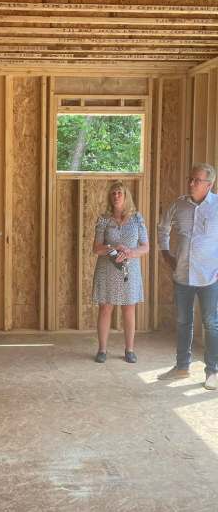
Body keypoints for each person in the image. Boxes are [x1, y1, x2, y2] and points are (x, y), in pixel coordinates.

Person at [156, 163, 218, 388]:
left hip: (210, 277)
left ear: (209, 185)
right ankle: (182, 367)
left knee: (211, 323)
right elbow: (163, 228)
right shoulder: (179, 204)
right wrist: (165, 253)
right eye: (190, 179)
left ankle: (213, 371)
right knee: (183, 322)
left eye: (196, 180)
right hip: (182, 275)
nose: (191, 183)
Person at [91, 182, 149, 363]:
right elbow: (96, 248)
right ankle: (102, 350)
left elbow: (145, 246)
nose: (116, 195)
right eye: (113, 193)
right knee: (105, 308)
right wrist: (113, 247)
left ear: (126, 196)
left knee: (129, 308)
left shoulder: (137, 218)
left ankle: (129, 350)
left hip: (129, 269)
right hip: (107, 268)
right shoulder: (104, 219)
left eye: (119, 193)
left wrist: (131, 253)